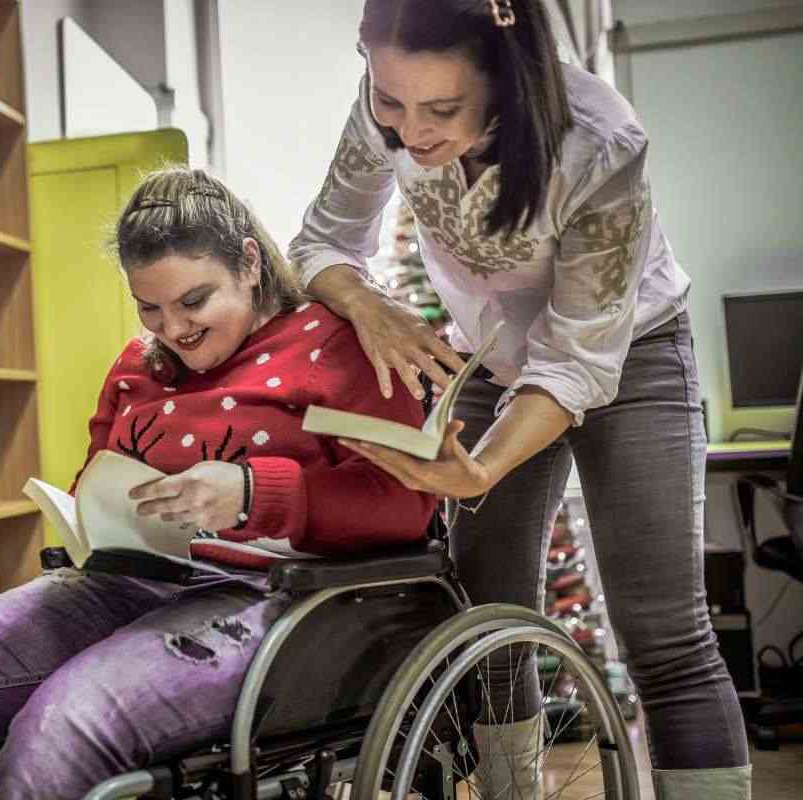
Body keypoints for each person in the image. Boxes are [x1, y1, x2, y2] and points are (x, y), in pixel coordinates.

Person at [0, 166, 435, 800]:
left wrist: (255, 491)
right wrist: (93, 515)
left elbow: (403, 506)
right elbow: (102, 477)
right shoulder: (138, 364)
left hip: (276, 600)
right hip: (125, 581)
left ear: (251, 263)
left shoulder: (338, 346)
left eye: (194, 301)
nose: (173, 330)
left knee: (65, 724)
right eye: (149, 307)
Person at [289, 1, 750, 798]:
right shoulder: (385, 110)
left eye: (441, 110)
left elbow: (576, 360)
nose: (409, 133)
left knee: (663, 631)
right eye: (389, 102)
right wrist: (371, 305)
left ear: (507, 80)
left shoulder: (598, 141)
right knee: (488, 614)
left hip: (630, 353)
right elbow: (321, 242)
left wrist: (486, 467)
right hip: (492, 358)